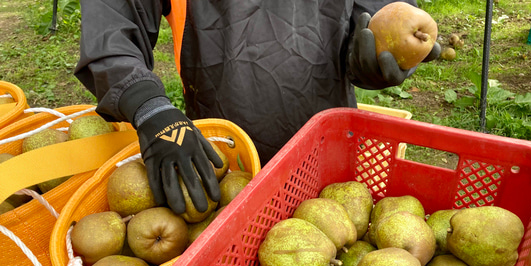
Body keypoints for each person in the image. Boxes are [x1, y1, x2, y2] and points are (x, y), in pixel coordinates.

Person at [74, 1, 439, 215]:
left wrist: (379, 54)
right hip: (223, 157)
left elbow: (372, 16)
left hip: (327, 148)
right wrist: (148, 106)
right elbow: (113, 22)